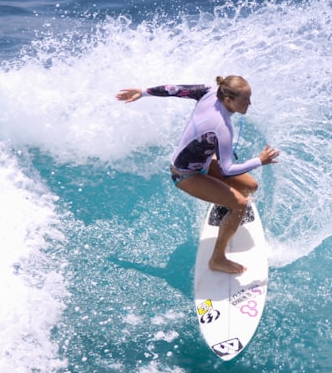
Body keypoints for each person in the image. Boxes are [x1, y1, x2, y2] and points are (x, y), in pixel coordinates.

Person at [116, 75, 280, 275]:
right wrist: (259, 161)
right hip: (185, 174)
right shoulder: (222, 127)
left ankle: (222, 207)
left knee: (249, 187)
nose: (250, 103)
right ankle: (217, 259)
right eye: (245, 99)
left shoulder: (211, 90)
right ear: (228, 100)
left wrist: (142, 92)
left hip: (202, 161)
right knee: (240, 205)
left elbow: (173, 89)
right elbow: (227, 169)